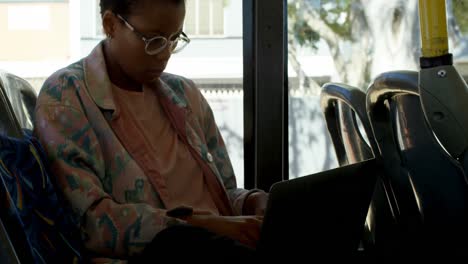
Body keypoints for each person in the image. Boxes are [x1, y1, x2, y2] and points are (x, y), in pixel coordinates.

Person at [33, 0, 268, 262]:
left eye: (173, 38)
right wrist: (202, 227)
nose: (164, 53)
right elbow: (91, 222)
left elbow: (222, 198)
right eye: (153, 39)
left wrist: (250, 202)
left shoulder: (186, 97)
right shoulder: (67, 97)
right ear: (111, 25)